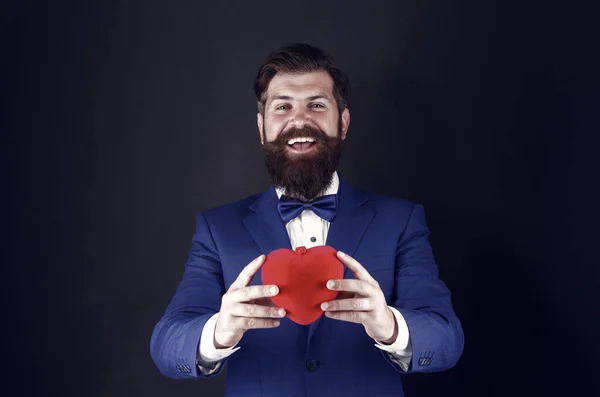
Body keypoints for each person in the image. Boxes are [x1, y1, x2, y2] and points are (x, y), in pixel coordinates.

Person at [150, 43, 464, 397]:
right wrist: (218, 332)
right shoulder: (217, 228)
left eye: (316, 105)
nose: (299, 120)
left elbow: (446, 340)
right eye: (283, 107)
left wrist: (390, 325)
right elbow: (166, 346)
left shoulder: (401, 220)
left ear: (342, 123)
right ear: (261, 126)